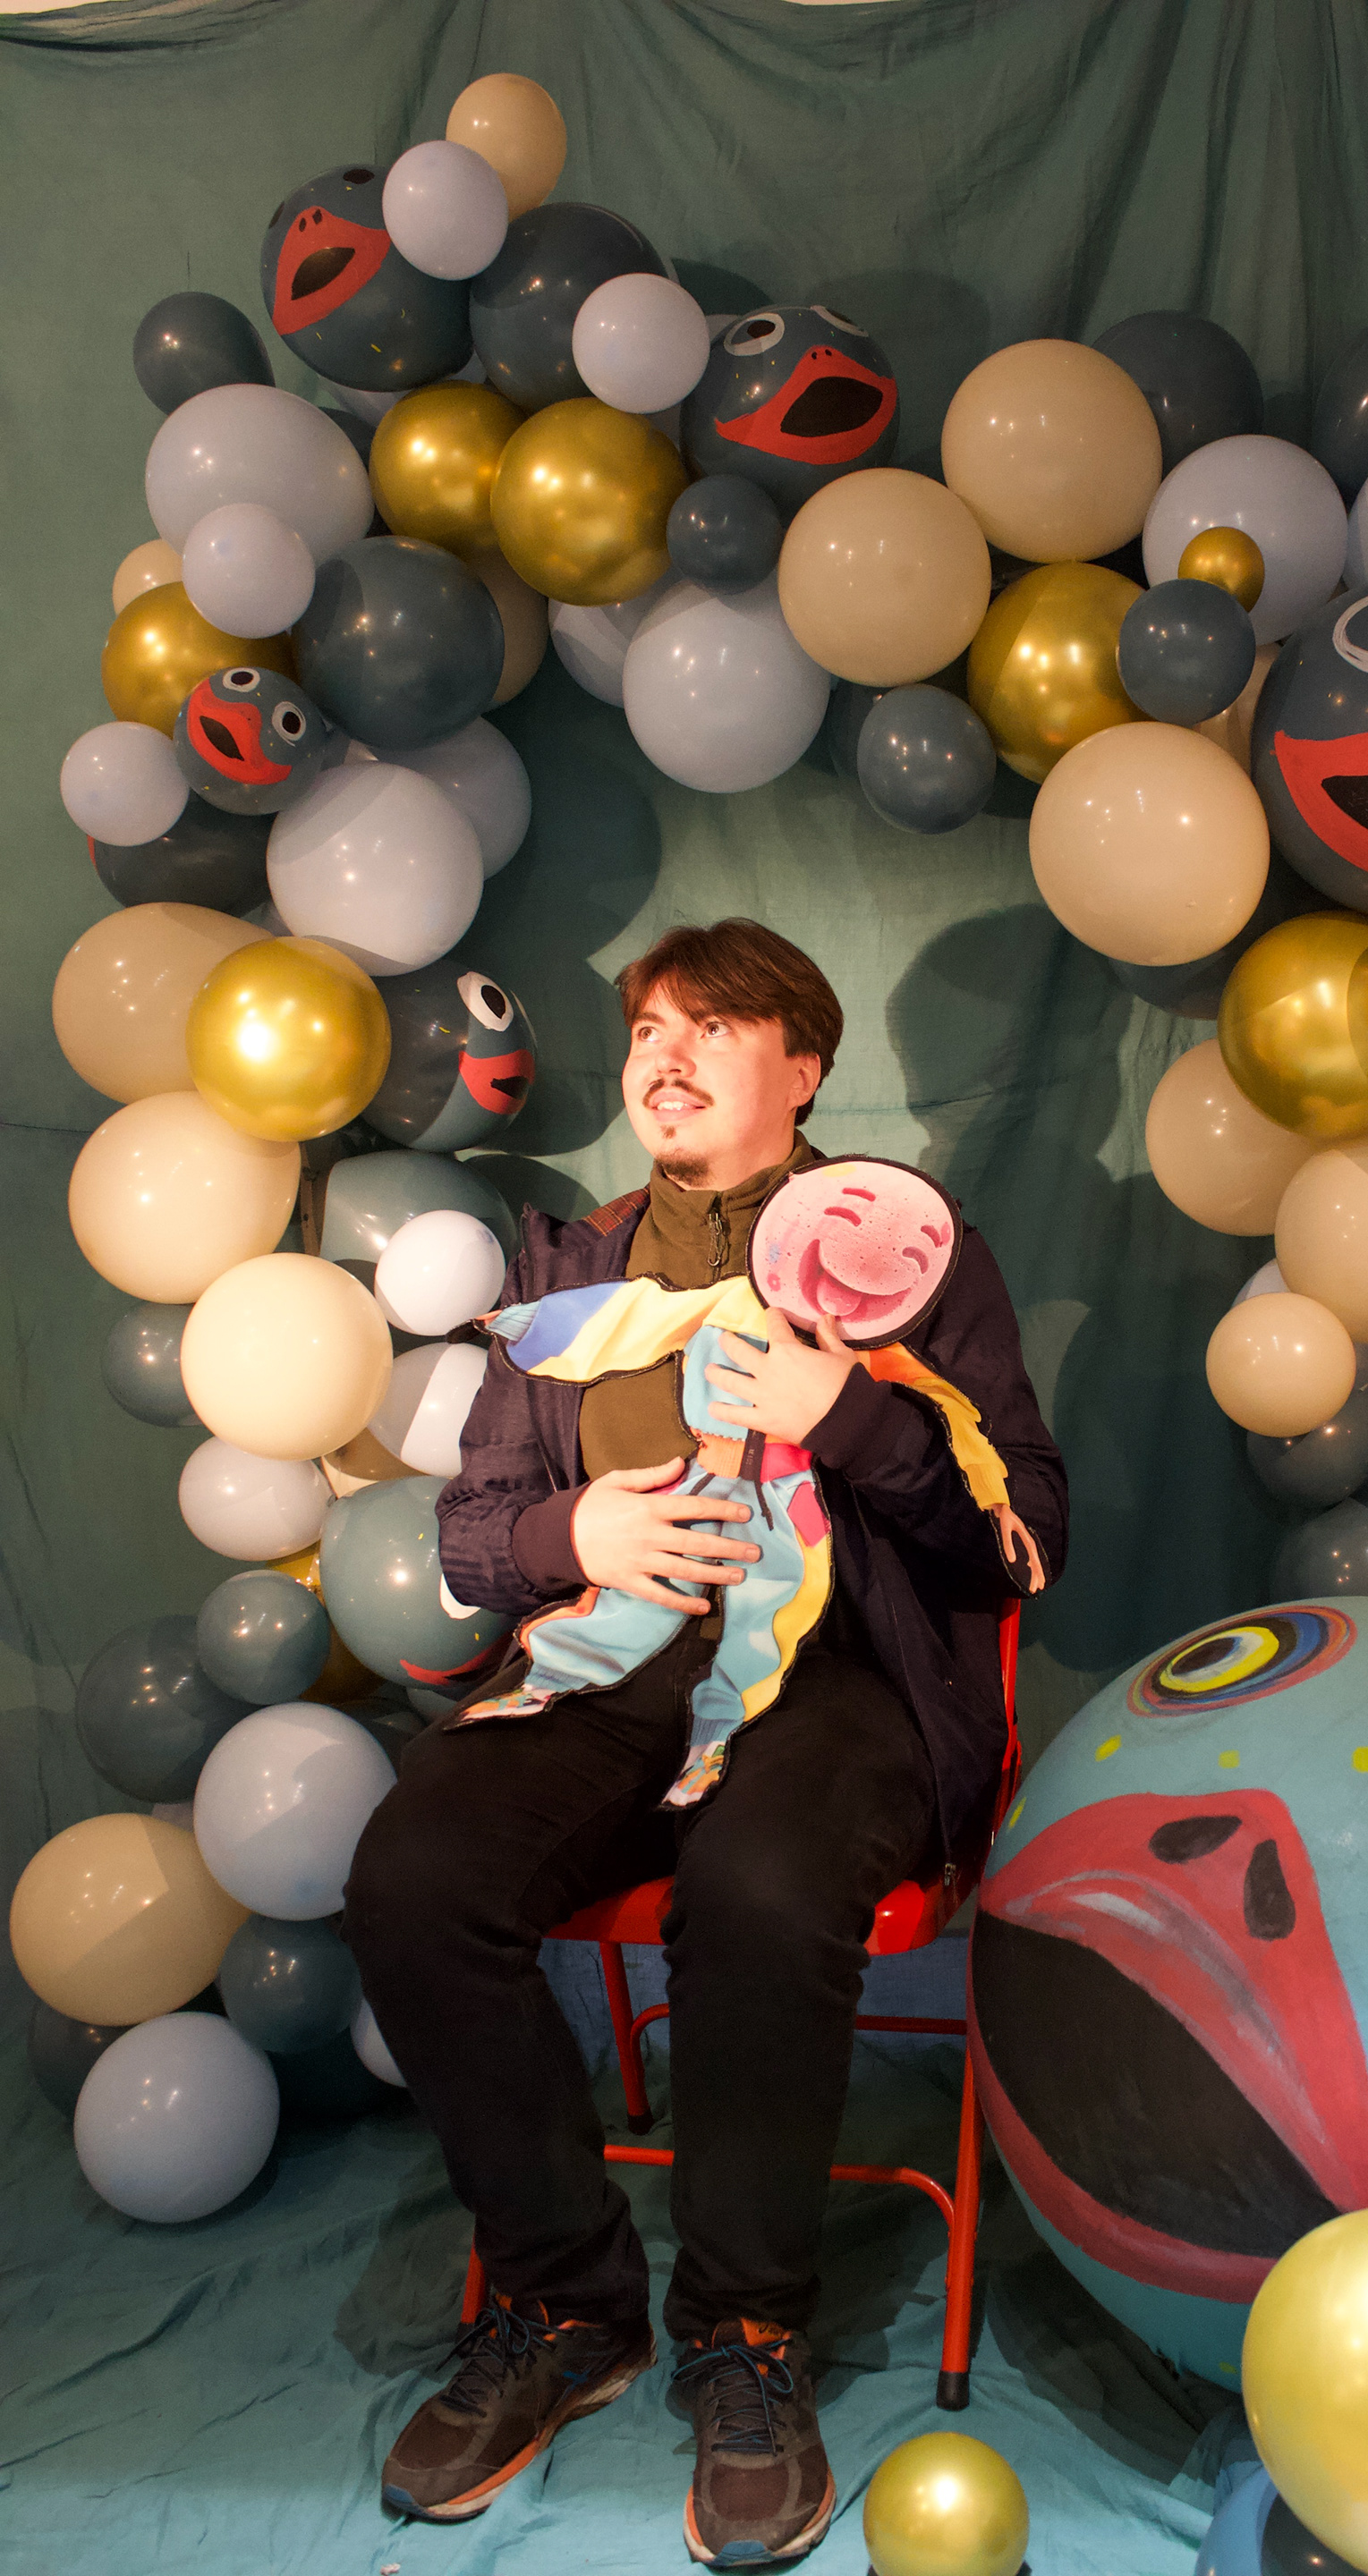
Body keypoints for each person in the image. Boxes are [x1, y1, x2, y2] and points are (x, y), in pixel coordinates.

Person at [344, 919, 1067, 2563]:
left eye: (715, 1028)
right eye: (647, 1031)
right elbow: (475, 1534)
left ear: (802, 1071)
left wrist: (852, 1418)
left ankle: (744, 2336)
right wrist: (575, 1535)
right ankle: (562, 2302)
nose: (664, 1059)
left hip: (845, 1688)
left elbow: (1025, 1532)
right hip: (614, 1675)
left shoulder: (907, 1253)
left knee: (756, 1885)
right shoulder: (568, 1269)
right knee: (414, 1875)